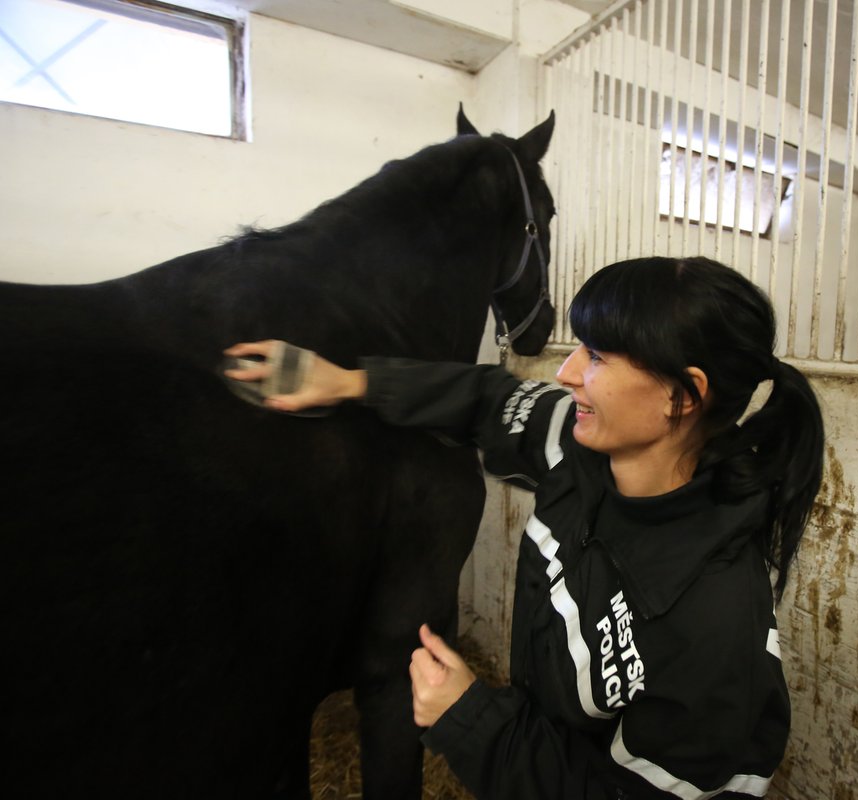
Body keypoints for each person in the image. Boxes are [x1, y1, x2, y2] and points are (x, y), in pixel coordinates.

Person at [224, 256, 824, 799]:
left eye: (596, 356)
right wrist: (349, 382)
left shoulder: (712, 620)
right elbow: (489, 399)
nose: (565, 373)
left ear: (682, 396)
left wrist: (471, 720)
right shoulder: (578, 444)